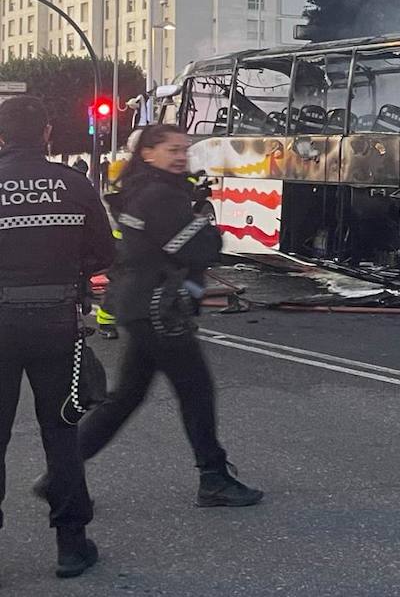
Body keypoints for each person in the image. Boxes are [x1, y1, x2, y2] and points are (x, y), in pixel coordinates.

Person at [74, 124, 263, 509]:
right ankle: (213, 477)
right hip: (159, 307)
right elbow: (200, 248)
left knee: (126, 397)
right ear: (147, 153)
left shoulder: (140, 190)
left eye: (185, 149)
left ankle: (62, 473)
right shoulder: (161, 196)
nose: (181, 156)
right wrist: (207, 231)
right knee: (195, 390)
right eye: (172, 149)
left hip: (139, 304)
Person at [0, 96, 113, 578]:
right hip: (57, 323)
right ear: (46, 133)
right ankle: (71, 545)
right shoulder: (74, 184)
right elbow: (104, 252)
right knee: (62, 432)